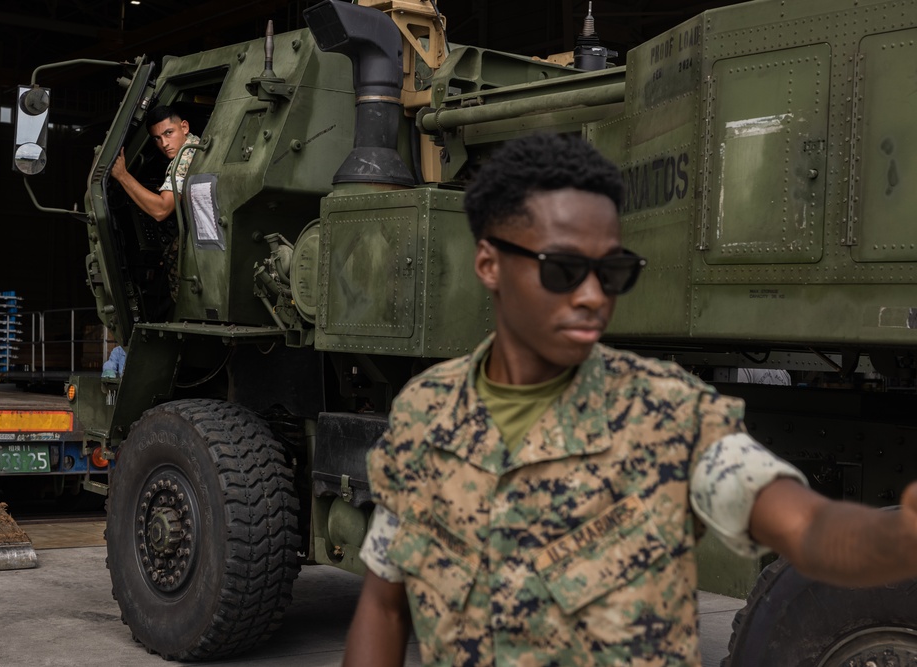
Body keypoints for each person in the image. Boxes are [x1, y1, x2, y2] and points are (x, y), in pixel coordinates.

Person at [343, 133, 917, 666]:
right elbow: (385, 602)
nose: (594, 297)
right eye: (564, 269)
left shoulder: (667, 414)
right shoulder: (426, 413)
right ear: (490, 264)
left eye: (611, 271)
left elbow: (806, 528)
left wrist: (895, 538)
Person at [110, 105, 200, 301]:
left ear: (184, 127)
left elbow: (161, 210)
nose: (164, 143)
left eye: (169, 133)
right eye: (157, 139)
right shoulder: (196, 145)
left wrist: (122, 175)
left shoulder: (184, 159)